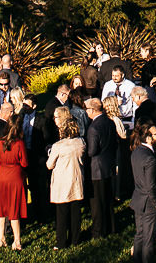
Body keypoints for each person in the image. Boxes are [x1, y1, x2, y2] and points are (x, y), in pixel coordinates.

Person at [128, 123, 156, 263]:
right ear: (149, 138)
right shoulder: (150, 159)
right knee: (149, 238)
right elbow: (151, 185)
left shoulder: (136, 152)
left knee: (140, 234)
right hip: (149, 203)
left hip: (138, 198)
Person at [0, 116, 29, 250]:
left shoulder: (1, 143)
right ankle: (17, 240)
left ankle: (1, 238)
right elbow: (24, 162)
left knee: (1, 208)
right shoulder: (19, 143)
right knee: (14, 209)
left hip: (2, 177)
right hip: (15, 177)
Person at [48, 117, 86, 251]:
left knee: (62, 213)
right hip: (76, 179)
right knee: (75, 212)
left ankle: (61, 241)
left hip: (62, 181)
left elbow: (49, 165)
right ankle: (75, 238)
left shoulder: (58, 146)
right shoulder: (80, 142)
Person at [84, 97, 118, 239]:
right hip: (108, 165)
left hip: (97, 169)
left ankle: (99, 231)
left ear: (92, 110)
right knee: (108, 199)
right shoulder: (109, 122)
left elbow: (92, 151)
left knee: (97, 202)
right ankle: (112, 226)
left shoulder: (93, 128)